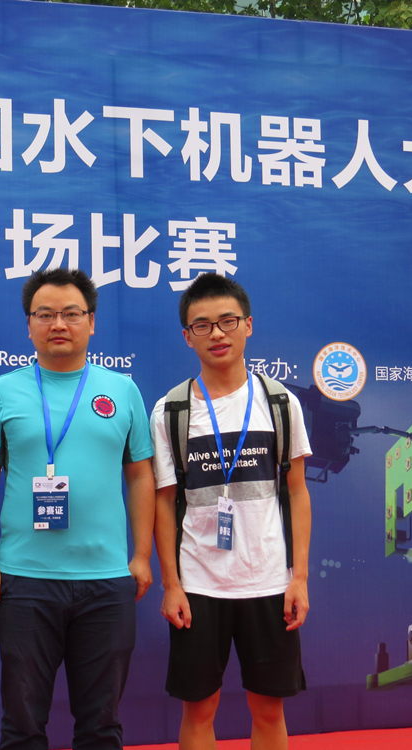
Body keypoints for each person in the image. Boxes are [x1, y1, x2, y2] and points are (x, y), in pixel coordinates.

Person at [0, 267, 156, 750]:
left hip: (107, 582)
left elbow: (140, 475)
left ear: (91, 322)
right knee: (22, 726)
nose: (58, 324)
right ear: (29, 324)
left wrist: (140, 556)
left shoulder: (122, 391)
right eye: (45, 314)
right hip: (24, 580)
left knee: (101, 726)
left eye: (71, 314)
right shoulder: (1, 391)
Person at [150, 273, 312, 750]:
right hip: (199, 584)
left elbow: (297, 492)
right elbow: (163, 502)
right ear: (188, 336)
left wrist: (299, 578)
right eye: (202, 325)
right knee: (199, 710)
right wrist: (171, 584)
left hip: (269, 581)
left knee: (269, 709)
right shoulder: (171, 411)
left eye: (228, 321)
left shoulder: (280, 403)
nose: (217, 333)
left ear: (248, 325)